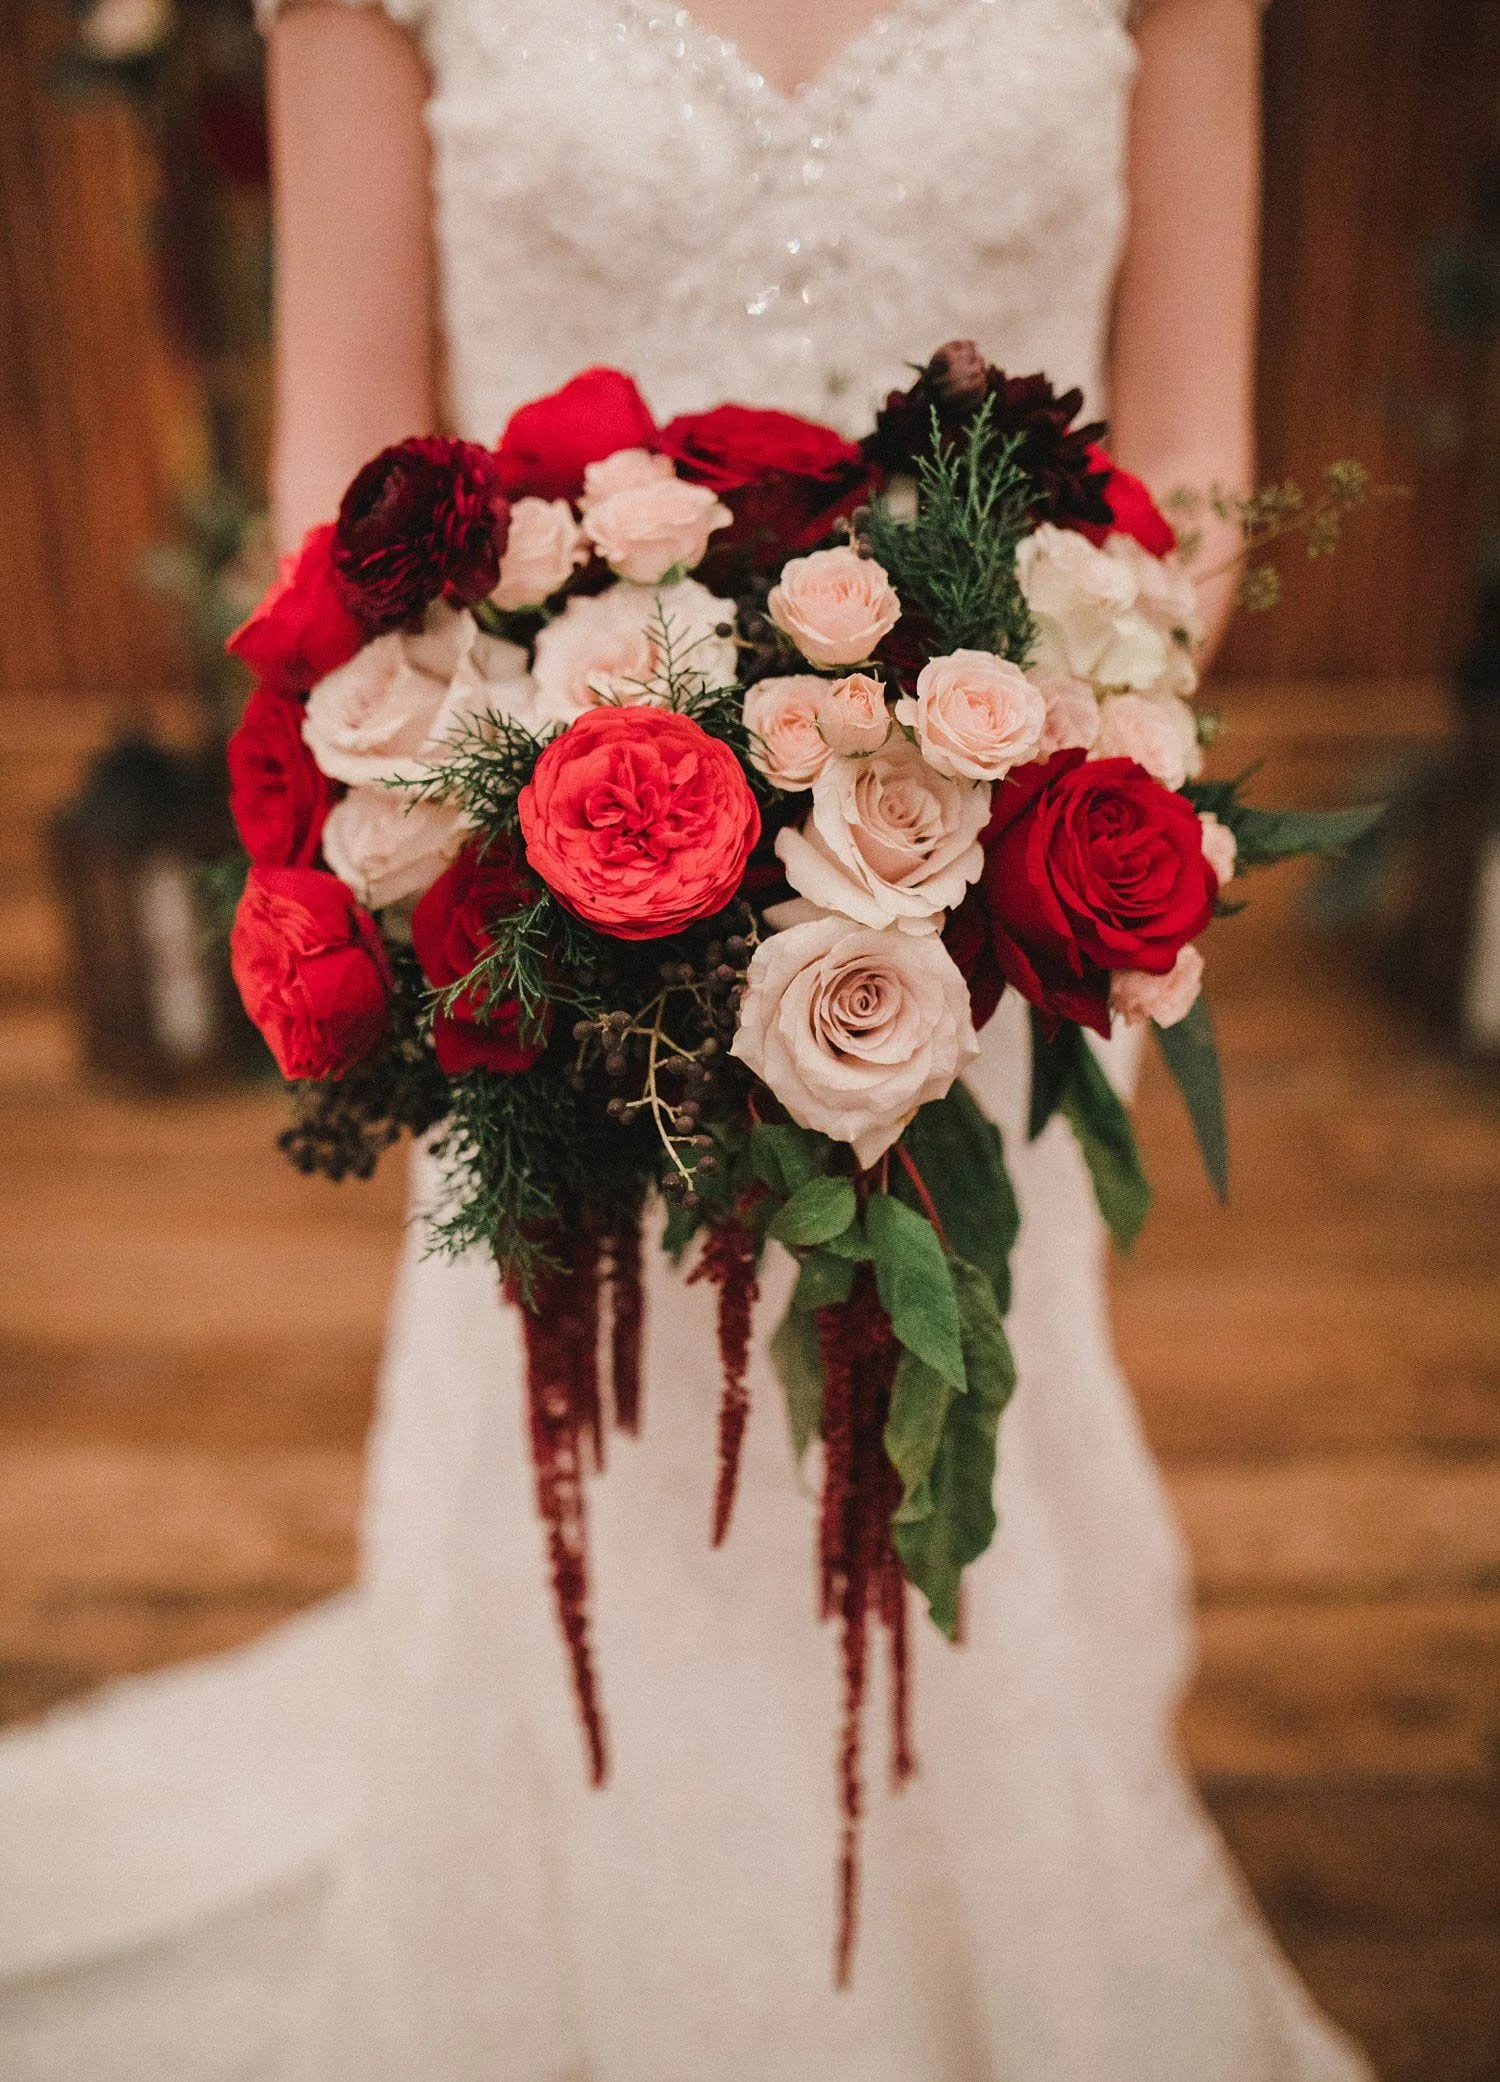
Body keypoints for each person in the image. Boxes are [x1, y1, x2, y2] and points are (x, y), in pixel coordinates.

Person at [0, 3, 1376, 2076]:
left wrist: (965, 807)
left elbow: (1194, 475)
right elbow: (338, 474)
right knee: (601, 1447)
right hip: (552, 899)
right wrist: (548, 838)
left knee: (944, 1413)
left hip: (966, 878)